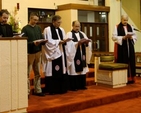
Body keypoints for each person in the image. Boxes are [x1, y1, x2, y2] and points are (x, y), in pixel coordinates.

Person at [42, 15, 72, 95]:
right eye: (58, 22)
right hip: (52, 53)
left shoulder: (61, 30)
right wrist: (58, 42)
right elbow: (47, 41)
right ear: (53, 22)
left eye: (60, 22)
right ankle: (52, 89)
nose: (60, 24)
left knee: (61, 69)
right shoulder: (47, 30)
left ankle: (61, 89)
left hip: (61, 51)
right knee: (52, 70)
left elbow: (63, 39)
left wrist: (64, 41)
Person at [21, 12, 47, 97]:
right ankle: (27, 92)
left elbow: (41, 37)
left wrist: (43, 41)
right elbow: (23, 42)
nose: (36, 21)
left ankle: (38, 90)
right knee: (27, 73)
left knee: (37, 73)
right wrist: (33, 43)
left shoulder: (38, 28)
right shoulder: (25, 29)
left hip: (38, 52)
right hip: (30, 53)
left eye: (37, 20)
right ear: (30, 18)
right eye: (34, 20)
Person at [66, 20, 92, 91]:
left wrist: (87, 43)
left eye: (79, 26)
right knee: (74, 70)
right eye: (76, 26)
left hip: (81, 54)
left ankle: (82, 85)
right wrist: (77, 43)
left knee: (82, 70)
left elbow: (88, 44)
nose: (77, 28)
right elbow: (68, 45)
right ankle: (74, 86)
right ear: (73, 26)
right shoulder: (69, 34)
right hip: (74, 55)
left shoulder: (82, 34)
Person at [112, 15, 137, 84]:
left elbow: (135, 36)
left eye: (126, 20)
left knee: (131, 61)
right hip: (122, 48)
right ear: (121, 19)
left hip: (130, 47)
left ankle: (131, 78)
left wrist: (132, 38)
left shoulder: (131, 27)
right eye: (124, 20)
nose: (125, 22)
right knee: (123, 61)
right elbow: (114, 37)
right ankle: (123, 78)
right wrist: (123, 38)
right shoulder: (117, 27)